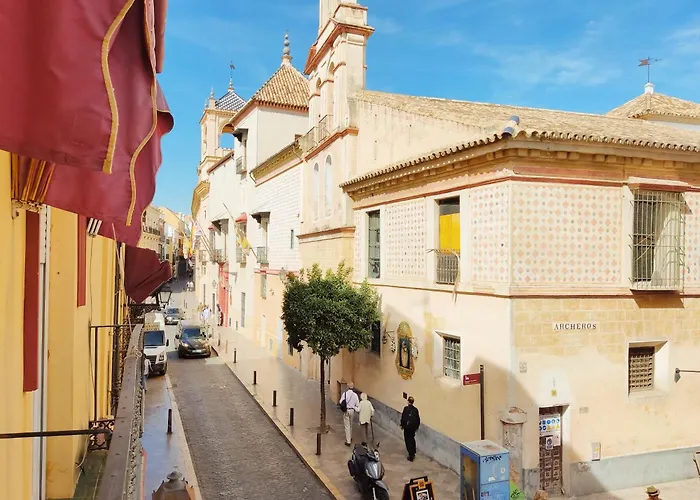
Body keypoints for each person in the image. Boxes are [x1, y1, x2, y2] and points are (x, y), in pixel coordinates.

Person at [400, 396, 420, 461]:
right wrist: (416, 427)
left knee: (407, 440)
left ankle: (410, 454)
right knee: (412, 439)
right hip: (412, 428)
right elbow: (417, 419)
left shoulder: (406, 409)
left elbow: (403, 417)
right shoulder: (415, 410)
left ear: (408, 401)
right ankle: (413, 452)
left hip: (407, 428)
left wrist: (402, 425)